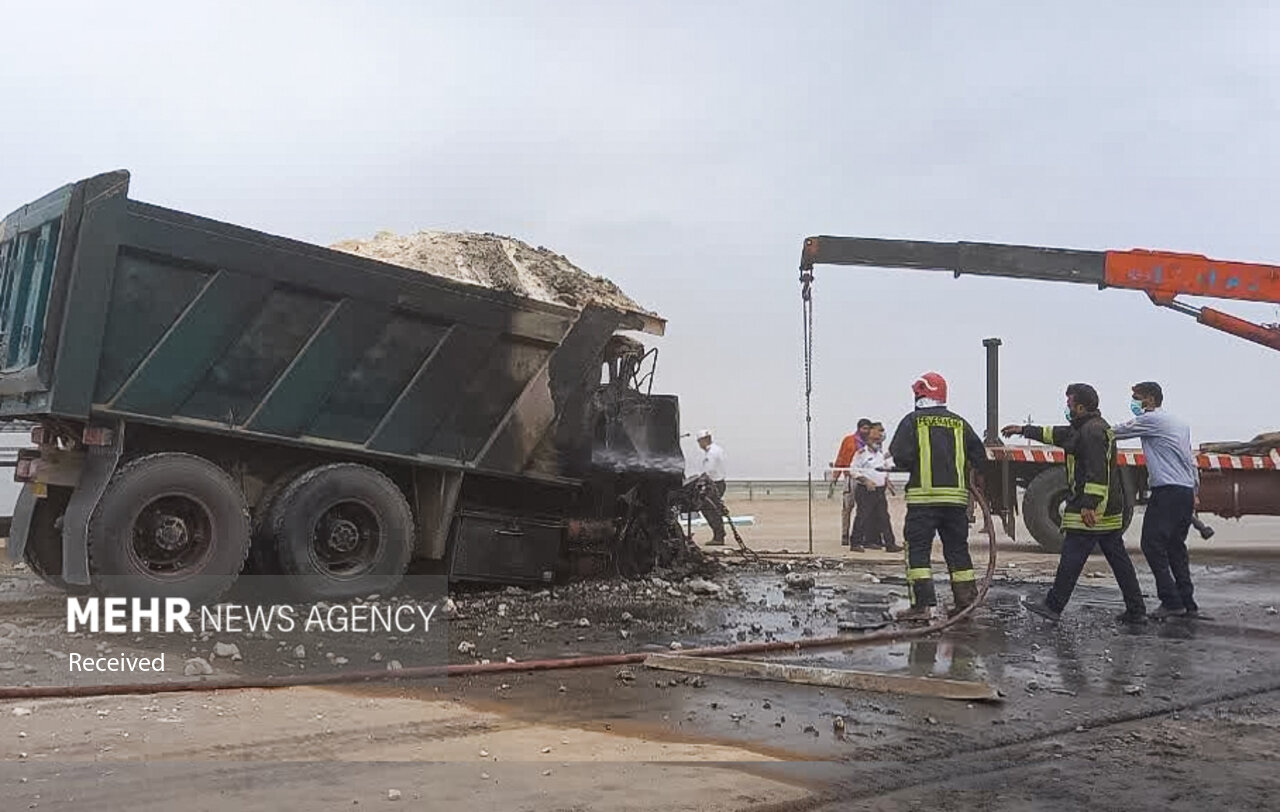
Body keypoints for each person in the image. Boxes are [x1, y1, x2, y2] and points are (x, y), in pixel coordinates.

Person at [1002, 383, 1147, 624]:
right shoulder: (1087, 428)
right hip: (1107, 511)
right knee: (1118, 560)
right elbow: (1056, 434)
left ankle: (1053, 605)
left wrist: (1089, 505)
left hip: (1094, 511)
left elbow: (1096, 472)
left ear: (1080, 406)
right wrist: (1024, 430)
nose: (1067, 408)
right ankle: (1136, 608)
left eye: (1070, 404)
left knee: (1072, 558)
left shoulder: (1091, 433)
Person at [888, 372, 986, 620]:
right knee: (957, 550)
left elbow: (900, 455)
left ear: (921, 394)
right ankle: (965, 603)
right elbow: (980, 457)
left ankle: (921, 607)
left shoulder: (912, 421)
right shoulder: (960, 423)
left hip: (924, 501)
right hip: (956, 502)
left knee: (918, 553)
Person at [1113, 381, 1200, 618]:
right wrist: (1195, 491)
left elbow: (1113, 432)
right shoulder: (1179, 423)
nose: (1134, 402)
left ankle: (1171, 601)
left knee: (1151, 545)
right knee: (1175, 547)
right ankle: (1187, 602)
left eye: (1137, 397)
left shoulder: (1151, 420)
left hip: (1167, 491)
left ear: (1150, 399)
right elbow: (1189, 457)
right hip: (1184, 491)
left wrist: (1086, 427)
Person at [849, 421, 901, 552]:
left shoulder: (880, 455)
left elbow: (883, 470)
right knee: (862, 516)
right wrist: (866, 481)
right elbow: (853, 471)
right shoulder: (861, 454)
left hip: (879, 490)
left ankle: (890, 544)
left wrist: (887, 482)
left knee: (884, 517)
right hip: (865, 490)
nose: (878, 441)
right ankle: (855, 543)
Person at [832, 419, 872, 546]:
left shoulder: (871, 443)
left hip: (866, 479)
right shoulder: (849, 440)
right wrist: (835, 477)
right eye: (864, 428)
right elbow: (840, 458)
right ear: (859, 428)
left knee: (865, 509)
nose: (866, 431)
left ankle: (864, 536)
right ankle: (845, 534)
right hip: (850, 478)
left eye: (868, 429)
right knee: (847, 508)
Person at [696, 429, 728, 545]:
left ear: (704, 441)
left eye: (699, 442)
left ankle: (718, 536)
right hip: (718, 483)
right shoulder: (716, 450)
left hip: (714, 485)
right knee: (713, 510)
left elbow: (709, 471)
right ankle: (719, 534)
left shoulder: (712, 453)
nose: (699, 445)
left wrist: (699, 480)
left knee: (709, 510)